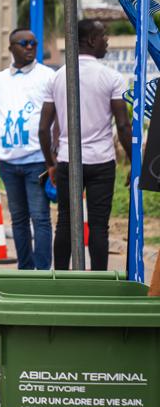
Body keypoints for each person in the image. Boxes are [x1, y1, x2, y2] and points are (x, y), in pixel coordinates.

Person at [38, 19, 133, 271]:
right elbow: (123, 126)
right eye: (104, 36)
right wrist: (135, 162)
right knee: (100, 225)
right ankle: (99, 281)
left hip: (68, 162)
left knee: (66, 223)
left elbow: (42, 129)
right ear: (91, 40)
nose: (107, 41)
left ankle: (59, 278)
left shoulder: (58, 77)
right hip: (102, 162)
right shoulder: (111, 77)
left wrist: (50, 164)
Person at [0, 29, 55, 270]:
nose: (30, 47)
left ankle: (42, 273)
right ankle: (25, 269)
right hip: (9, 162)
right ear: (11, 48)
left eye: (33, 43)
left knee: (40, 217)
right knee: (19, 219)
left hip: (37, 160)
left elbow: (61, 112)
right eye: (24, 43)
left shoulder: (47, 76)